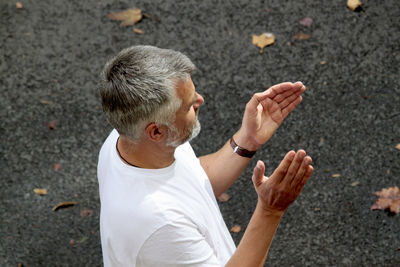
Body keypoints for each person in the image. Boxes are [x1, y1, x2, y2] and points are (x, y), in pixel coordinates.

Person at [98, 45, 313, 267]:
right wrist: (270, 210)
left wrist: (247, 140)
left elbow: (195, 182)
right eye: (189, 105)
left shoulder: (130, 140)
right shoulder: (159, 225)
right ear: (156, 131)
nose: (200, 100)